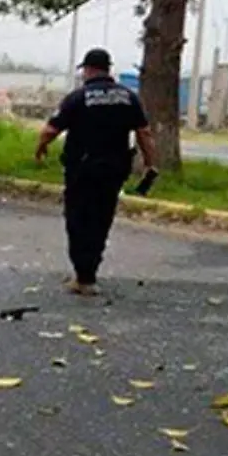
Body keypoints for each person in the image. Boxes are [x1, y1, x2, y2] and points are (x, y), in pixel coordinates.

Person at [34, 48, 159, 296]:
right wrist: (149, 163)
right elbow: (144, 133)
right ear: (108, 69)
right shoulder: (128, 97)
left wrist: (40, 148)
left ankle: (83, 275)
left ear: (88, 70)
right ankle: (90, 273)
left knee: (78, 220)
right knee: (102, 219)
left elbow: (50, 130)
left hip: (82, 169)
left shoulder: (78, 98)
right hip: (114, 171)